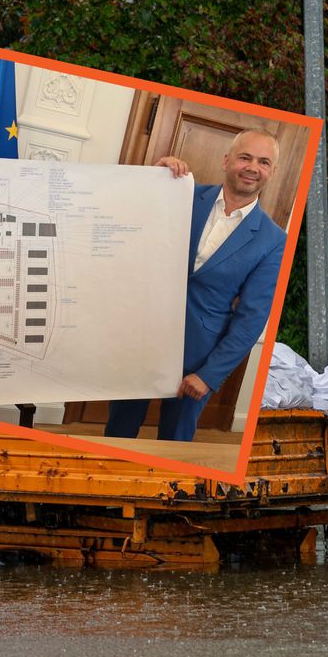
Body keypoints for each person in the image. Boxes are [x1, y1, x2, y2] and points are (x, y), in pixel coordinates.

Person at [106, 129, 287, 442]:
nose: (252, 167)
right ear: (226, 160)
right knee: (117, 434)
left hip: (200, 360)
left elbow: (251, 319)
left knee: (174, 448)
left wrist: (210, 375)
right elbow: (126, 221)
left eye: (263, 162)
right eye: (245, 157)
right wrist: (153, 180)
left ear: (272, 171)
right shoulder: (181, 193)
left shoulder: (273, 241)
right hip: (143, 338)